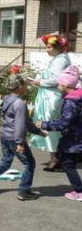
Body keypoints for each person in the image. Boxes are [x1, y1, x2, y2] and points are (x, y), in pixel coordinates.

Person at [0, 75, 47, 201]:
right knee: (29, 163)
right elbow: (21, 125)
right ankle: (24, 191)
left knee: (5, 161)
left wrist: (38, 132)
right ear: (19, 87)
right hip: (15, 138)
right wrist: (20, 142)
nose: (27, 88)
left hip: (5, 135)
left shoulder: (7, 99)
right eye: (25, 86)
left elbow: (25, 121)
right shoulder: (20, 104)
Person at [38, 66, 82, 201]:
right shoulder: (77, 96)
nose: (57, 85)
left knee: (68, 165)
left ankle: (79, 191)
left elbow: (64, 123)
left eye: (59, 83)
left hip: (73, 138)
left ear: (64, 84)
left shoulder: (71, 102)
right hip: (76, 135)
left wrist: (45, 125)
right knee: (69, 161)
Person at [29, 34, 71, 171]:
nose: (46, 50)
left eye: (48, 47)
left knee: (51, 126)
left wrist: (39, 82)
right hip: (49, 96)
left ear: (57, 47)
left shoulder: (60, 60)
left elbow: (57, 79)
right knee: (49, 125)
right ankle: (55, 156)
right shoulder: (58, 59)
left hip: (52, 97)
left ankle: (56, 158)